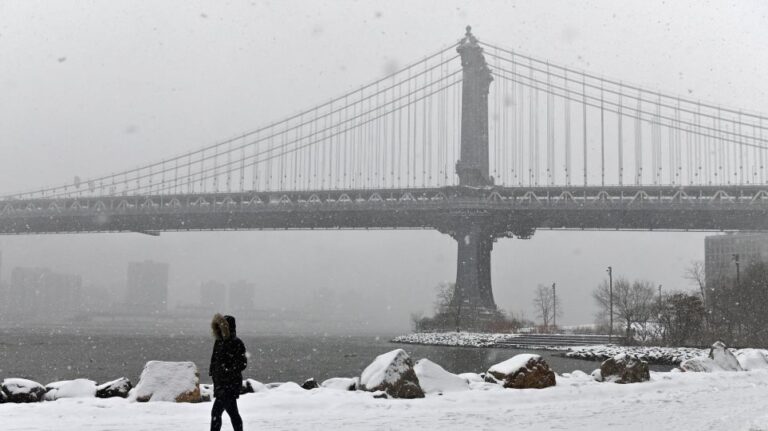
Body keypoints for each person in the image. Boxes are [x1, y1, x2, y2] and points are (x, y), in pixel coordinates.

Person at [209, 313, 248, 431]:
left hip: (229, 385)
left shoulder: (237, 343)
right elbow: (214, 359)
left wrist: (227, 371)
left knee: (217, 413)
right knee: (230, 413)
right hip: (221, 385)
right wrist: (213, 372)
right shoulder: (219, 341)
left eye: (222, 326)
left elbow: (242, 363)